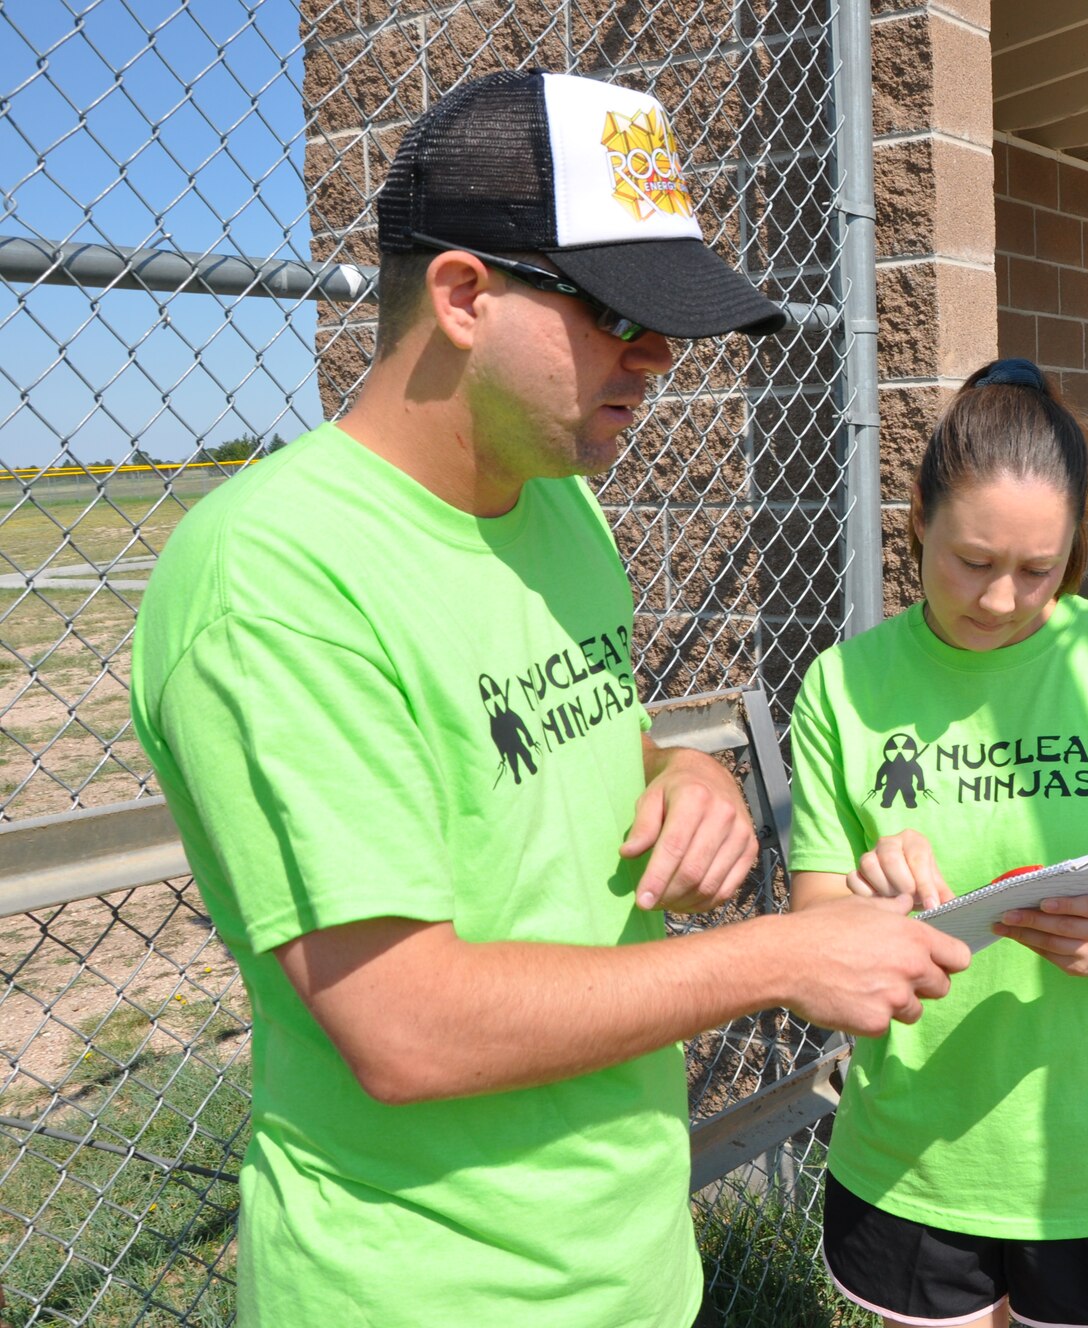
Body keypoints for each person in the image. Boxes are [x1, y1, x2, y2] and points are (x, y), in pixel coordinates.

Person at [128, 70, 970, 1325]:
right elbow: (401, 1022)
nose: (660, 357)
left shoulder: (555, 499)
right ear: (465, 295)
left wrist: (687, 775)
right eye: (618, 313)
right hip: (430, 1290)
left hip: (625, 1260)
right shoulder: (273, 576)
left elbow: (583, 734)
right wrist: (778, 955)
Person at [786, 358, 1088, 1328]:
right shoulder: (844, 684)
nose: (1000, 598)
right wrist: (866, 905)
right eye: (970, 560)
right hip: (913, 1157)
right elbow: (812, 920)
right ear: (915, 512)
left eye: (1037, 571)